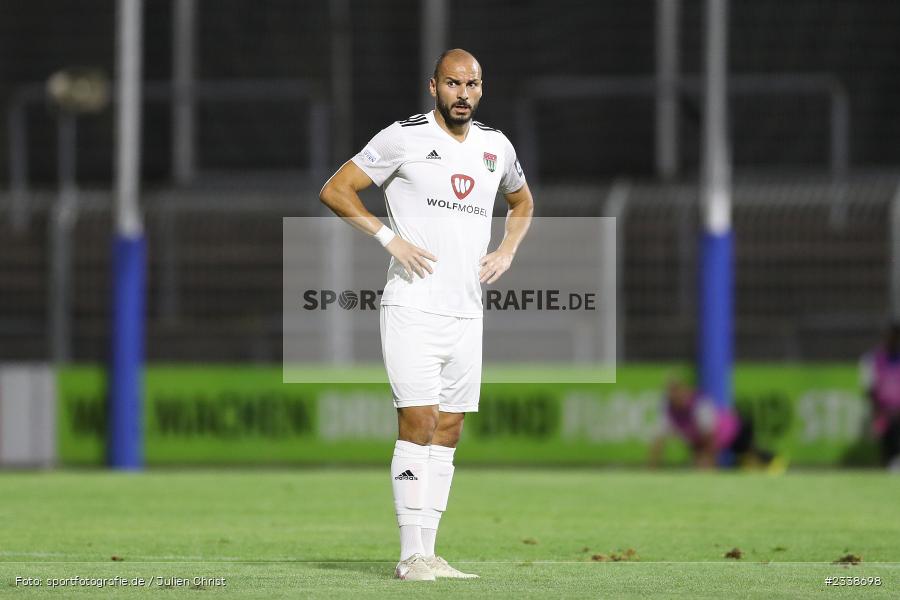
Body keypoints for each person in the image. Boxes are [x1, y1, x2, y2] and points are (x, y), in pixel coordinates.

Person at [319, 48, 534, 580]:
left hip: (466, 312)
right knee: (418, 420)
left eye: (473, 84)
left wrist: (506, 251)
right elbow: (335, 189)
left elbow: (523, 202)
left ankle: (431, 551)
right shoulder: (403, 137)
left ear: (482, 89)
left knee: (451, 428)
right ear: (432, 86)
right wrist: (389, 238)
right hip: (412, 306)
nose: (464, 93)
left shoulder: (496, 146)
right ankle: (409, 553)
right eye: (454, 83)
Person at [649, 378, 779, 470]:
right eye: (670, 393)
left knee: (751, 453)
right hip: (705, 440)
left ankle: (777, 462)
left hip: (734, 431)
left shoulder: (699, 404)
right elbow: (659, 441)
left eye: (676, 392)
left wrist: (709, 461)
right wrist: (652, 469)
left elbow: (710, 436)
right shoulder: (669, 411)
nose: (673, 396)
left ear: (684, 391)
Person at [860, 323, 900, 470]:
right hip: (882, 412)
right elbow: (869, 388)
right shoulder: (873, 359)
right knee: (887, 445)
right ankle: (889, 465)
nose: (893, 340)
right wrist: (878, 411)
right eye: (891, 336)